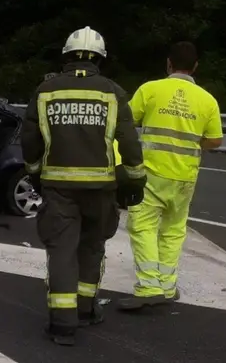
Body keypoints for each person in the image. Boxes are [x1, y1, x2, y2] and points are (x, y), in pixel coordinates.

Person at [22, 26, 147, 345]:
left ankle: (63, 325)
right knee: (92, 248)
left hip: (58, 187)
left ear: (66, 55)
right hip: (101, 188)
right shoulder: (112, 91)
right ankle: (86, 310)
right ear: (99, 58)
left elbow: (30, 138)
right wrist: (135, 176)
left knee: (63, 251)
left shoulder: (46, 90)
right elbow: (128, 138)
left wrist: (35, 172)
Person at [118, 42, 223, 310]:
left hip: (152, 173)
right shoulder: (207, 99)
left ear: (168, 64)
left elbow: (125, 123)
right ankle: (167, 286)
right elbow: (215, 140)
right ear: (196, 66)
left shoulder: (151, 89)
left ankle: (149, 287)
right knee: (174, 231)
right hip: (185, 177)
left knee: (142, 226)